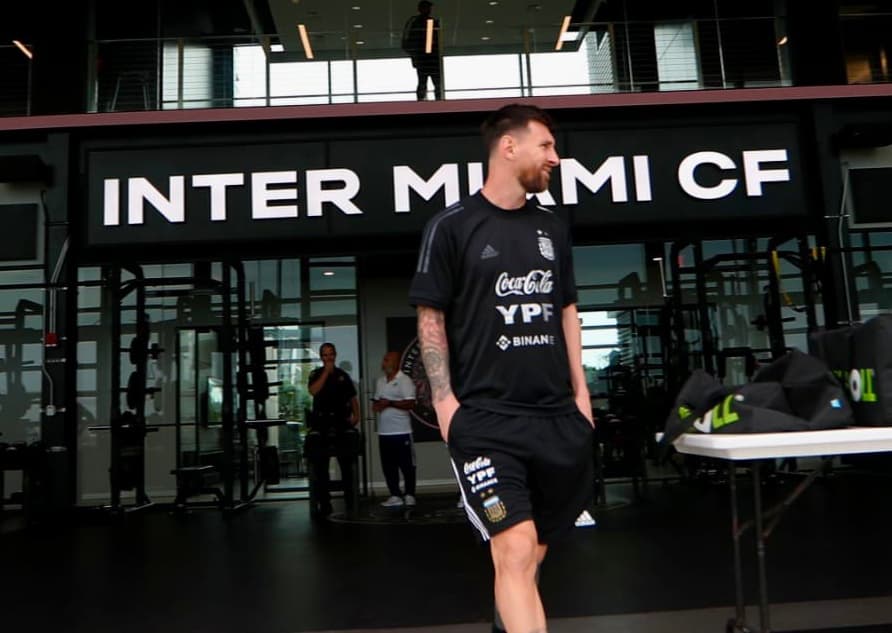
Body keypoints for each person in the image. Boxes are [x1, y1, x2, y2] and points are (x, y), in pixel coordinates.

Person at [409, 104, 595, 633]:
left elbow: (567, 310)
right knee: (513, 548)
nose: (555, 158)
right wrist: (444, 403)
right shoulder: (451, 226)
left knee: (532, 555)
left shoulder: (552, 227)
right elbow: (430, 316)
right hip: (487, 421)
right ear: (509, 147)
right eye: (546, 146)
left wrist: (582, 396)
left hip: (556, 419)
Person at [306, 342, 360, 517]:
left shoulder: (343, 376)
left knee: (346, 463)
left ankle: (350, 501)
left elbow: (352, 398)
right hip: (321, 423)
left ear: (335, 355)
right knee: (320, 466)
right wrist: (325, 373)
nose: (328, 358)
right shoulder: (315, 374)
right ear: (321, 357)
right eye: (325, 355)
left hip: (340, 422)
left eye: (331, 354)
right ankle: (324, 502)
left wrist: (356, 415)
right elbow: (313, 391)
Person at [372, 351, 418, 508]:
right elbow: (376, 403)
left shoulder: (405, 380)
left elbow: (410, 403)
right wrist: (377, 405)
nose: (384, 363)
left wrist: (390, 403)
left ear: (396, 363)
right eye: (384, 360)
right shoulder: (380, 381)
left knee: (407, 465)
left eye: (387, 360)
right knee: (388, 466)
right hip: (384, 432)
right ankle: (395, 495)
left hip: (402, 431)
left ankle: (410, 494)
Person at [401, 0, 442, 100]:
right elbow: (407, 42)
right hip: (425, 58)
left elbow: (432, 42)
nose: (429, 10)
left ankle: (431, 102)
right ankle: (430, 102)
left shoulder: (427, 22)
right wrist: (415, 55)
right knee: (426, 83)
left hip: (428, 58)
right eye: (427, 8)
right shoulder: (420, 22)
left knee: (430, 83)